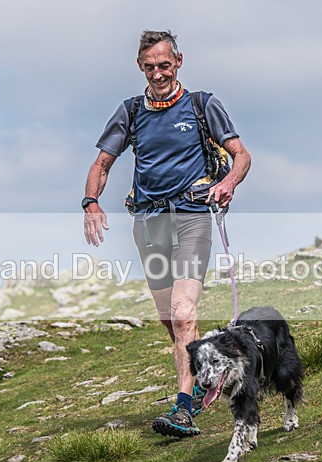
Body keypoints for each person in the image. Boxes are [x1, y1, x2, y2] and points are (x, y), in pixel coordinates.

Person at [82, 30, 251, 438]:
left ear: (178, 61)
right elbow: (102, 163)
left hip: (192, 215)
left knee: (182, 313)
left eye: (164, 64)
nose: (157, 73)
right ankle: (207, 364)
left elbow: (241, 155)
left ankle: (183, 408)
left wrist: (227, 183)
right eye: (149, 66)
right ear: (140, 67)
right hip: (149, 222)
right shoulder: (131, 111)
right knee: (170, 320)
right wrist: (90, 202)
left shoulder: (201, 104)